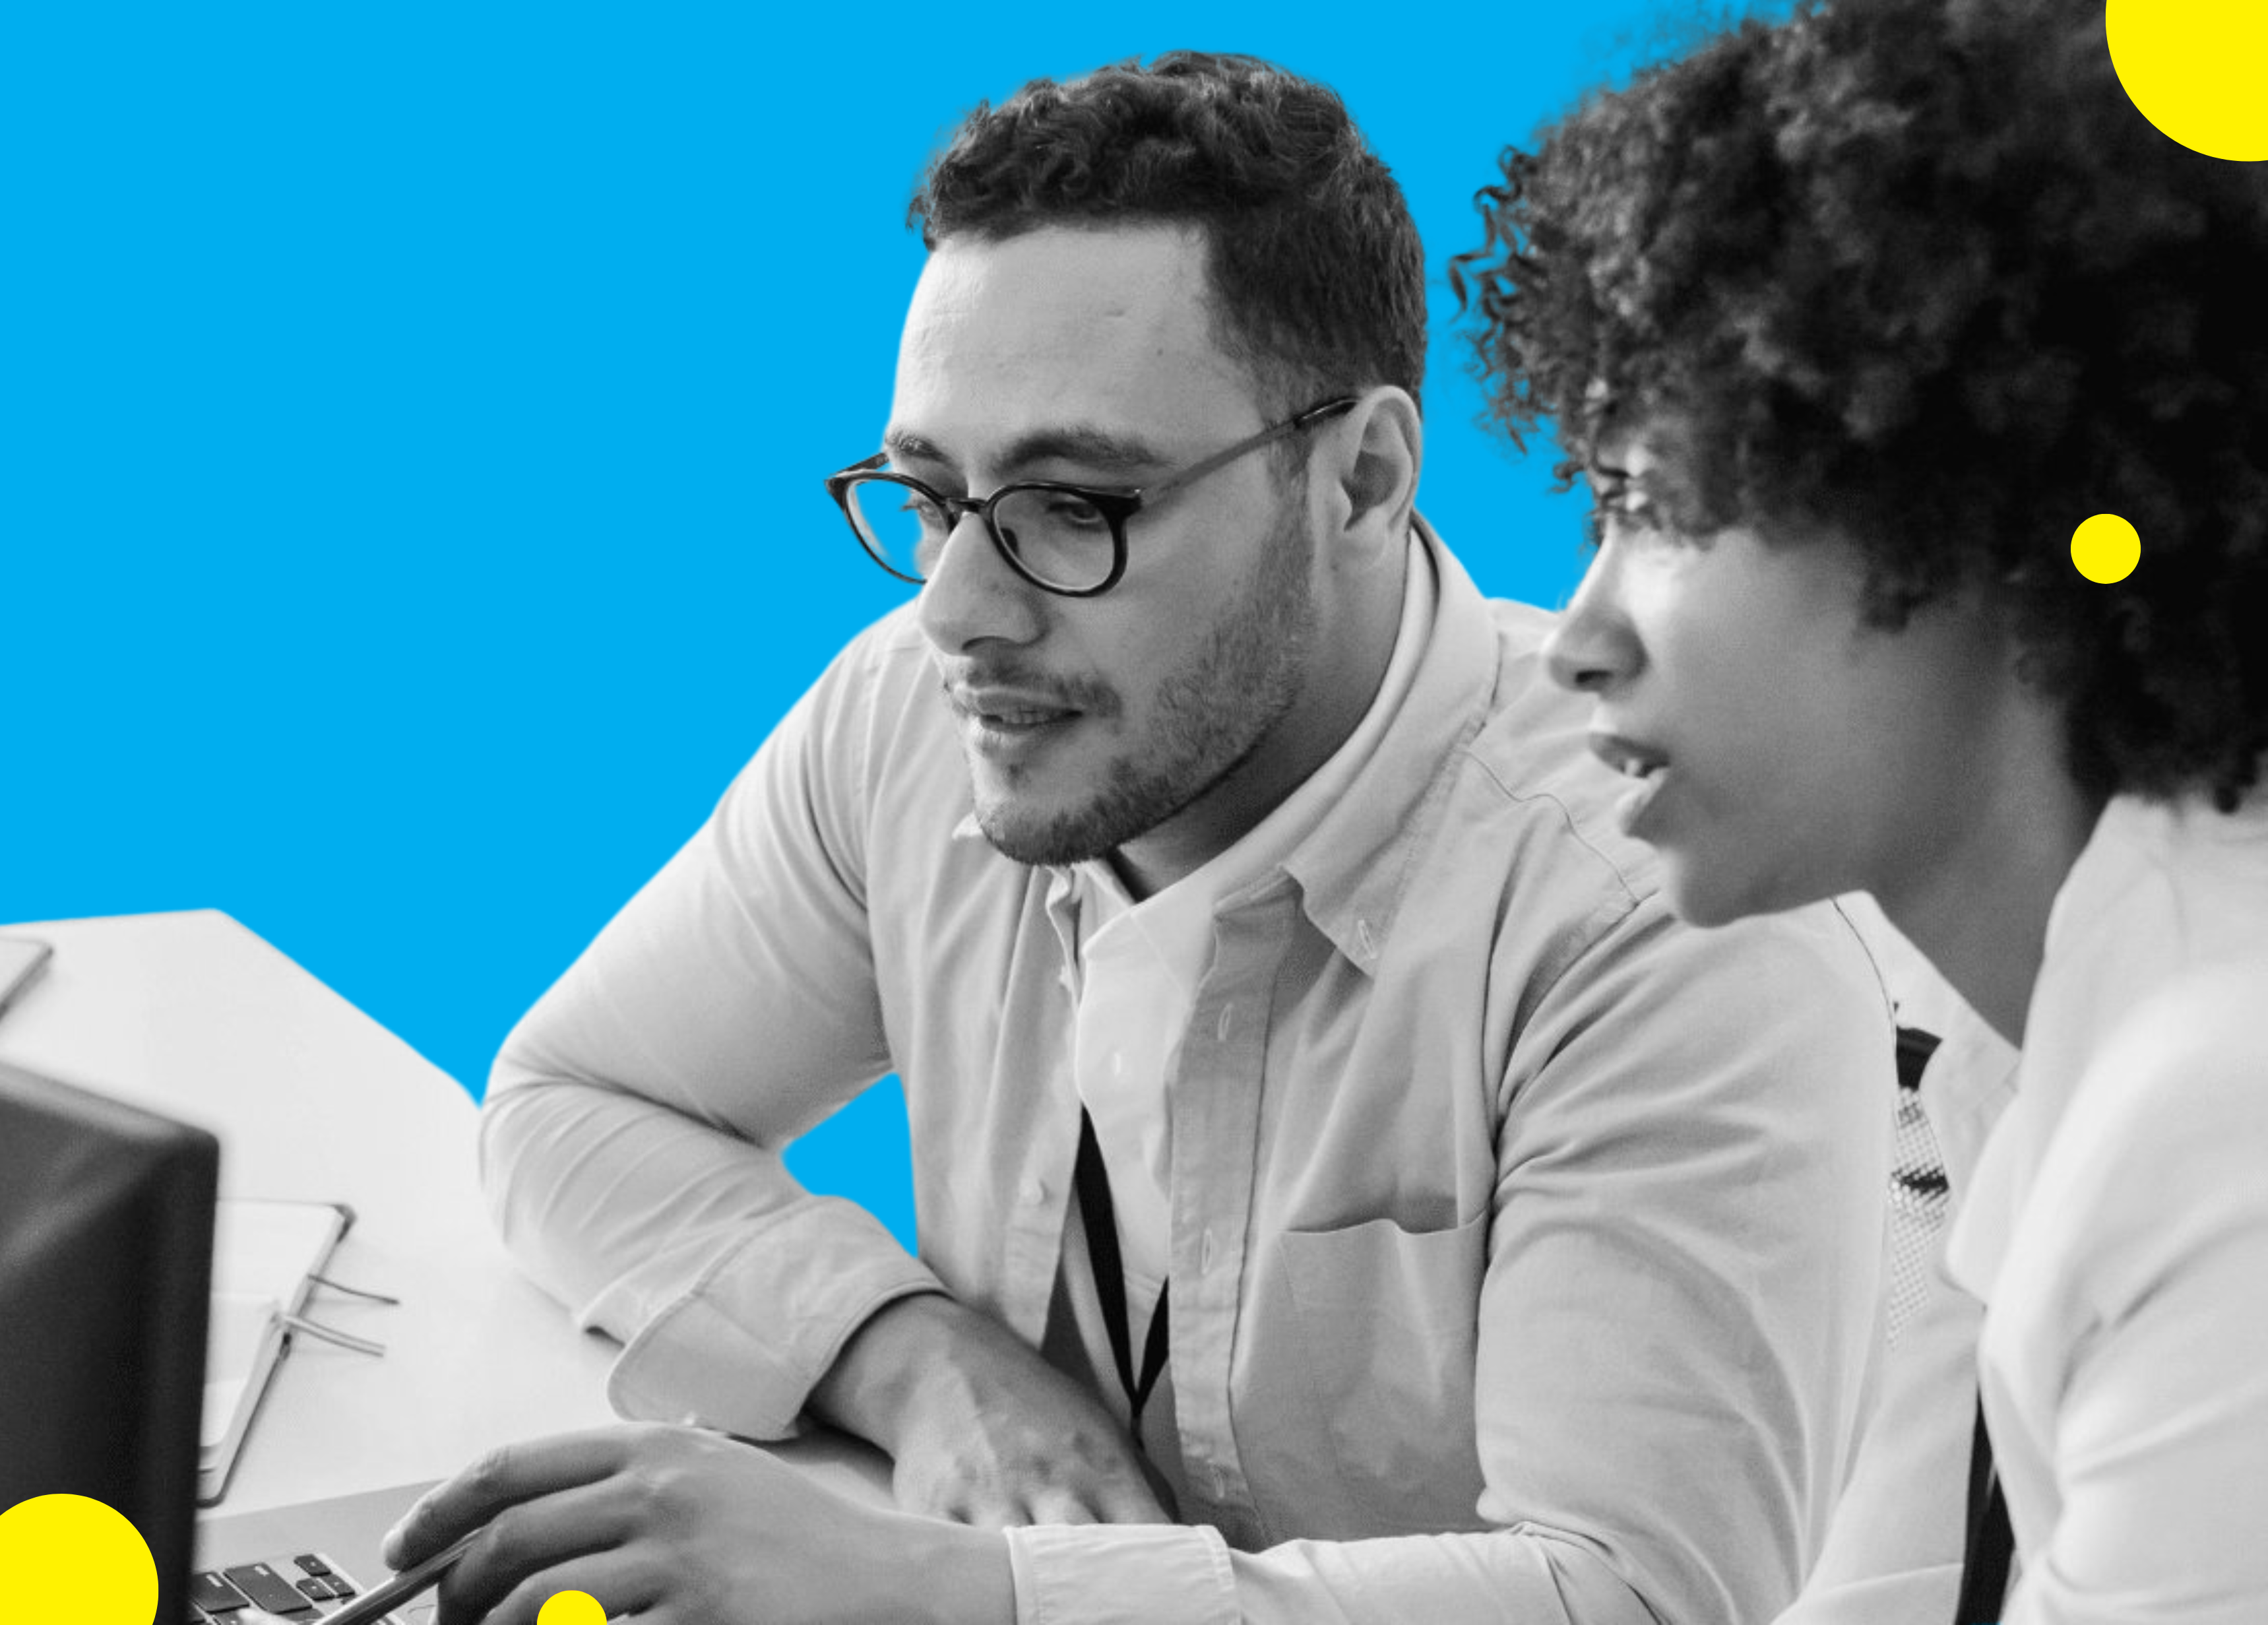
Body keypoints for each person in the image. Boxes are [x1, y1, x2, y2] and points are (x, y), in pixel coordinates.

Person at [383, 51, 1900, 1625]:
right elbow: (571, 1104)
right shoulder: (925, 719)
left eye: (1073, 506)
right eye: (929, 498)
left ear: (1363, 479)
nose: (958, 611)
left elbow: (1632, 1599)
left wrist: (947, 1590)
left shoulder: (1663, 898)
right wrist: (908, 1356)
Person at [1453, 0, 2268, 1618]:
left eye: (1661, 504)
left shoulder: (2214, 1121)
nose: (1582, 637)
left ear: (1981, 513)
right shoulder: (2008, 1059)